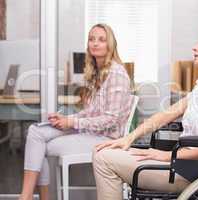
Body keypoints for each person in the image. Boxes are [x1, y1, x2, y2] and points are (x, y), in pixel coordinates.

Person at [92, 26, 198, 200]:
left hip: (193, 172)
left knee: (103, 159)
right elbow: (167, 114)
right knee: (103, 153)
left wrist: (166, 156)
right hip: (182, 162)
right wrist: (129, 138)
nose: (195, 47)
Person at [19, 23, 133, 200]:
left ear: (110, 45)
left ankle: (29, 198)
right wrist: (66, 118)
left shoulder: (116, 74)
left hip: (106, 138)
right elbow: (90, 113)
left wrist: (72, 123)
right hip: (92, 131)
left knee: (39, 146)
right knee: (35, 132)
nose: (95, 43)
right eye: (91, 39)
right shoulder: (98, 72)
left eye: (101, 40)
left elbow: (110, 119)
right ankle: (29, 197)